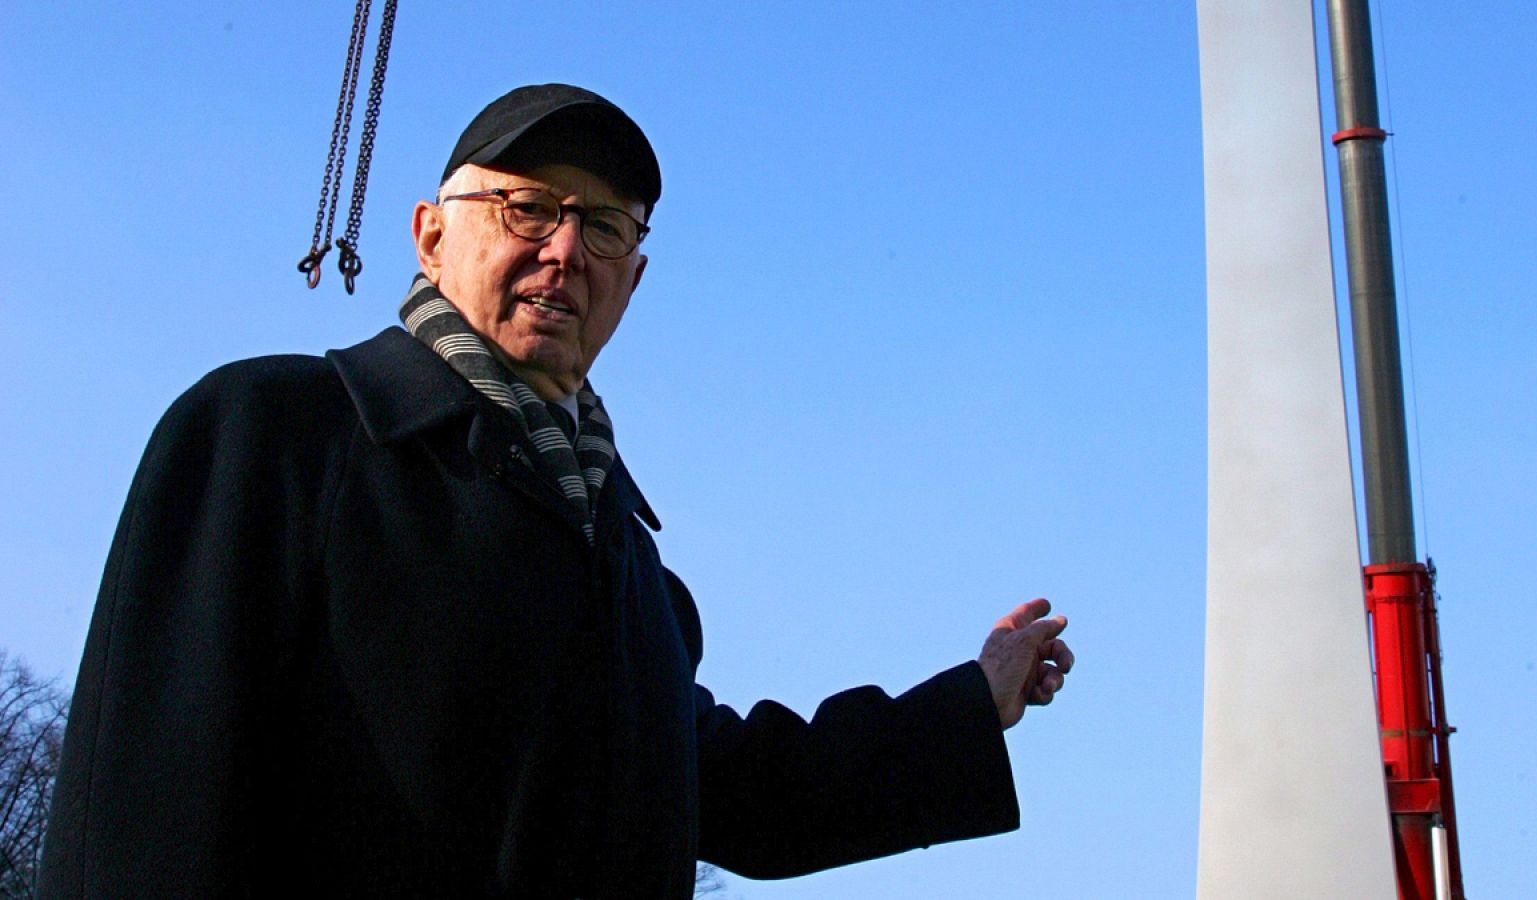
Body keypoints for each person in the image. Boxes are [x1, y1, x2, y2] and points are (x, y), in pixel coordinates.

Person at [39, 84, 1073, 898]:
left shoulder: (633, 571)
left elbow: (750, 798)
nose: (566, 249)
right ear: (430, 235)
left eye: (606, 226)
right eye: (527, 206)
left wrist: (971, 706)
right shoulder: (276, 437)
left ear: (635, 278)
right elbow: (139, 817)